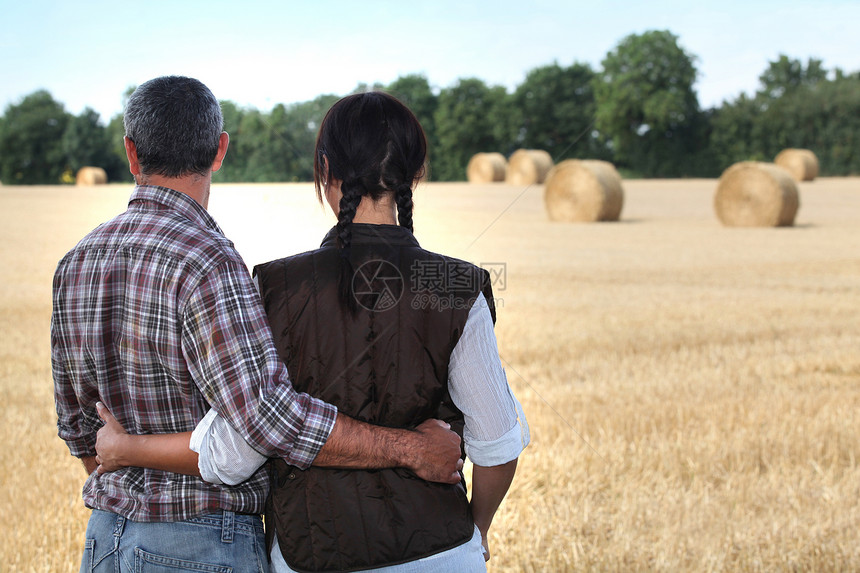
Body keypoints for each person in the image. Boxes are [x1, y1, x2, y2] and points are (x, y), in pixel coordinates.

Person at [95, 91, 529, 572]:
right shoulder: (453, 285)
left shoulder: (275, 286)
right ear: (417, 172)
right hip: (445, 552)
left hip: (312, 554)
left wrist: (128, 449)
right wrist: (476, 528)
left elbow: (236, 453)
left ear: (325, 171)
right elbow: (497, 444)